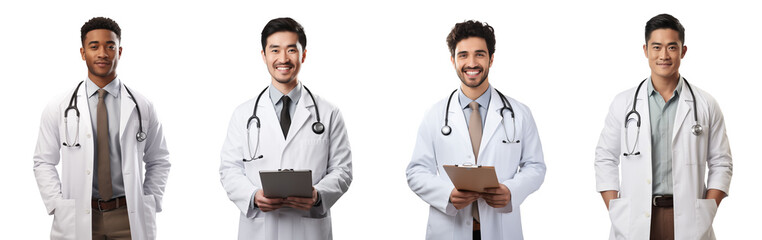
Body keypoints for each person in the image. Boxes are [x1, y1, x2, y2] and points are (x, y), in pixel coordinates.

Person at [595, 13, 733, 240]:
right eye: (656, 47)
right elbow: (605, 158)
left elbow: (721, 162)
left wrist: (708, 208)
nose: (663, 55)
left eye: (672, 47)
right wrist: (616, 209)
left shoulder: (706, 104)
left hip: (689, 220)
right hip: (635, 219)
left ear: (683, 51)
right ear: (645, 50)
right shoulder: (623, 103)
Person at [406, 20, 546, 240]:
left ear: (491, 59)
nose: (471, 63)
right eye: (463, 55)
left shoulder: (520, 113)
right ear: (453, 60)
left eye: (479, 54)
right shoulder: (434, 115)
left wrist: (511, 191)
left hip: (501, 229)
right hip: (448, 228)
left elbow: (535, 166)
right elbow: (416, 171)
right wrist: (446, 195)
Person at [33, 17, 171, 240]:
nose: (103, 53)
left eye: (110, 46)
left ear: (120, 51)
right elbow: (43, 161)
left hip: (128, 217)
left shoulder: (142, 106)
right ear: (82, 52)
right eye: (94, 46)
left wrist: (150, 199)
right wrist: (57, 204)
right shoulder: (58, 107)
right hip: (79, 217)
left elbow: (159, 159)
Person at [219, 17, 352, 240]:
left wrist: (318, 195)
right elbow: (229, 169)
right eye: (275, 50)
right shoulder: (243, 114)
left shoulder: (329, 113)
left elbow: (343, 170)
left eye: (291, 50)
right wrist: (252, 196)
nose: (283, 59)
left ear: (304, 54)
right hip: (260, 228)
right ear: (263, 55)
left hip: (308, 229)